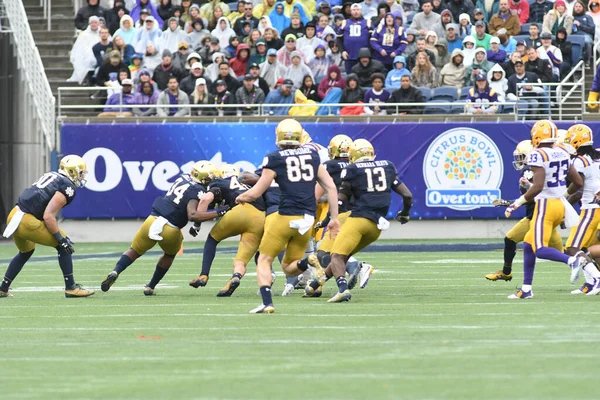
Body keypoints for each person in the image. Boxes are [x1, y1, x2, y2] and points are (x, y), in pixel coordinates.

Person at [234, 119, 340, 313]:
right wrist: (334, 218)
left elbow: (257, 191)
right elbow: (331, 187)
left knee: (264, 260)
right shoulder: (313, 155)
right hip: (307, 220)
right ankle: (308, 261)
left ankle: (267, 303)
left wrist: (242, 197)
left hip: (284, 217)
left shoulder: (274, 158)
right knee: (290, 268)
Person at [304, 139, 412, 302]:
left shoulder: (350, 169)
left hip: (358, 220)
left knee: (335, 256)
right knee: (342, 256)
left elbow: (339, 201)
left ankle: (342, 289)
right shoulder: (387, 166)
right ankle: (314, 285)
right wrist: (405, 213)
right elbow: (407, 195)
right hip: (377, 226)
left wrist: (328, 219)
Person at [100, 162, 227, 295]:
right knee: (169, 254)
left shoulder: (182, 177)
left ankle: (116, 271)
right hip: (171, 228)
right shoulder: (198, 190)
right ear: (205, 178)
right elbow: (193, 214)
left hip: (152, 220)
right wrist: (218, 212)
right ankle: (150, 286)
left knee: (134, 251)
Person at [504, 121, 587, 299]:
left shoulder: (537, 154)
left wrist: (516, 203)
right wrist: (561, 195)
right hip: (558, 205)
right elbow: (578, 182)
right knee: (528, 245)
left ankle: (573, 260)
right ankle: (526, 289)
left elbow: (538, 186)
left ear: (537, 136)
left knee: (539, 249)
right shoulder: (563, 151)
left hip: (545, 206)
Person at [0, 156, 94, 298]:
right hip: (26, 221)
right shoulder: (67, 186)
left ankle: (3, 288)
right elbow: (48, 216)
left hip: (14, 214)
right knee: (63, 243)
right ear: (72, 171)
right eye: (80, 172)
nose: (81, 176)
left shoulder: (52, 175)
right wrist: (60, 239)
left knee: (25, 252)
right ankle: (71, 287)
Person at [485, 140, 564, 282]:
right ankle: (506, 273)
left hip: (540, 216)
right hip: (536, 215)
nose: (519, 159)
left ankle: (590, 267)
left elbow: (535, 195)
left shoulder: (533, 169)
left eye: (522, 156)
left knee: (566, 253)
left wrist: (510, 203)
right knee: (511, 239)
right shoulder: (534, 169)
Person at [188, 165, 267, 296]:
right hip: (260, 219)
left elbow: (205, 199)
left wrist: (197, 224)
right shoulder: (248, 184)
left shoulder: (219, 182)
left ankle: (203, 275)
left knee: (212, 239)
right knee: (241, 260)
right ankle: (236, 276)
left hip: (240, 210)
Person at [560, 125, 600, 294]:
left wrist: (562, 196)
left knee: (572, 248)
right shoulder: (597, 155)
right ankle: (590, 284)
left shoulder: (579, 160)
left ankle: (596, 279)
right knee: (588, 249)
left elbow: (578, 185)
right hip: (596, 205)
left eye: (570, 139)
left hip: (591, 209)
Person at [338, 4, 372, 73]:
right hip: (349, 56)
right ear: (350, 11)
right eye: (354, 10)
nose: (356, 12)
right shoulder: (345, 22)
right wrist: (342, 51)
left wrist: (369, 52)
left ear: (361, 11)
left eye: (358, 10)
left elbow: (373, 39)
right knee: (350, 77)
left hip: (364, 57)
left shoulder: (367, 22)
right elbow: (339, 38)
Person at [67, 16, 101, 83]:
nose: (94, 24)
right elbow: (79, 47)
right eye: (92, 22)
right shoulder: (84, 34)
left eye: (95, 22)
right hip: (86, 57)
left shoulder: (102, 33)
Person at [572, 0, 594, 67]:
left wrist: (580, 25)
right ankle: (575, 63)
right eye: (576, 6)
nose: (578, 8)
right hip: (574, 36)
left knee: (587, 41)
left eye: (580, 6)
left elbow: (591, 29)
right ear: (574, 8)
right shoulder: (571, 17)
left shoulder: (588, 17)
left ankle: (587, 61)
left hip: (585, 35)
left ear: (583, 7)